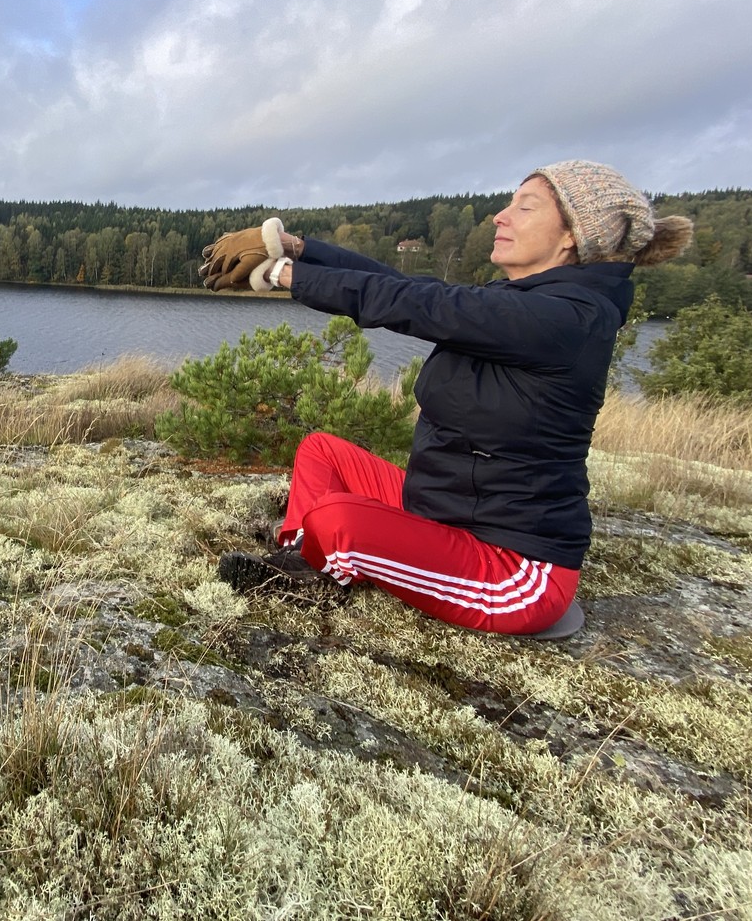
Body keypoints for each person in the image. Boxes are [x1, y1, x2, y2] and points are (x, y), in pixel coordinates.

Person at [200, 161, 693, 635]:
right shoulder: (524, 302)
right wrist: (300, 249)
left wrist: (284, 274)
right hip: (440, 513)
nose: (500, 216)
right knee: (322, 450)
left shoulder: (569, 319)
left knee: (337, 519)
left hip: (513, 570)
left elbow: (419, 304)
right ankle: (304, 554)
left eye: (525, 207)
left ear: (573, 236)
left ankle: (316, 555)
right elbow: (408, 285)